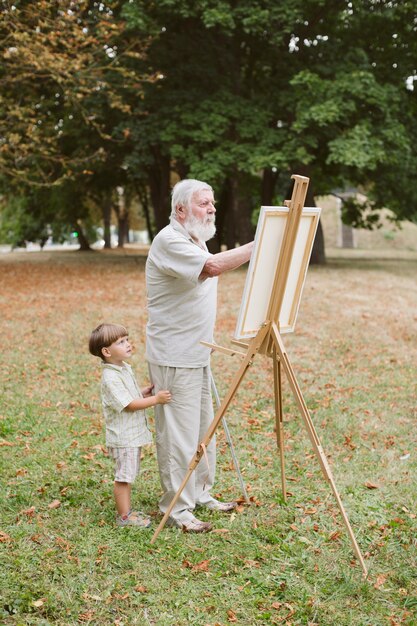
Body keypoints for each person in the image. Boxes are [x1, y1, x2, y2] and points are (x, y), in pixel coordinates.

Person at [146, 178, 253, 533]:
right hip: (175, 354)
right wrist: (263, 244)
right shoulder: (169, 240)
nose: (212, 209)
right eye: (203, 204)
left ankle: (202, 494)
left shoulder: (196, 240)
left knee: (205, 428)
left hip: (198, 352)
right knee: (179, 434)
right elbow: (212, 268)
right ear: (181, 210)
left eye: (213, 203)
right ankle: (177, 509)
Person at [89, 323, 171, 528]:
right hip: (124, 437)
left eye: (127, 339)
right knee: (124, 478)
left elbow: (132, 396)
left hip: (131, 436)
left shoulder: (123, 368)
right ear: (106, 352)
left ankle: (127, 512)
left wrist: (144, 392)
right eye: (121, 342)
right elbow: (130, 405)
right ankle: (124, 517)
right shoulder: (110, 377)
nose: (128, 344)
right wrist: (156, 400)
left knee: (128, 474)